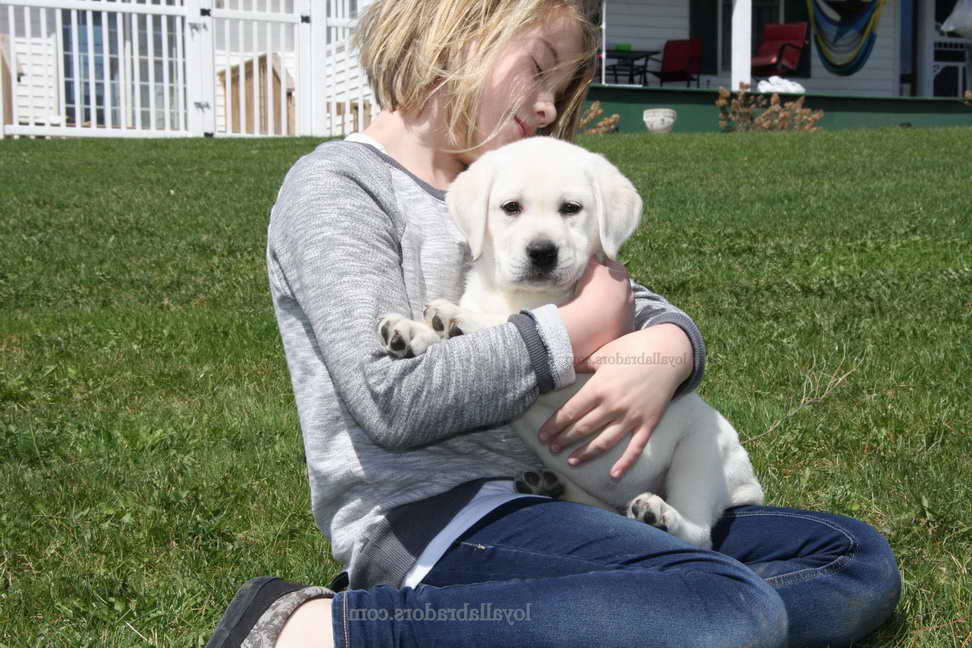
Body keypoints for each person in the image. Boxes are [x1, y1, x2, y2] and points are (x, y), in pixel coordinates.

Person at [205, 1, 901, 646]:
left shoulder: (517, 177)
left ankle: (629, 617)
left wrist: (668, 350)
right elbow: (389, 400)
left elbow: (633, 303)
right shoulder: (339, 187)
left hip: (574, 504)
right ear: (456, 26)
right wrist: (571, 334)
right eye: (539, 70)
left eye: (561, 92)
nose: (545, 106)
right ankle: (329, 633)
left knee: (853, 559)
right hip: (435, 522)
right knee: (727, 607)